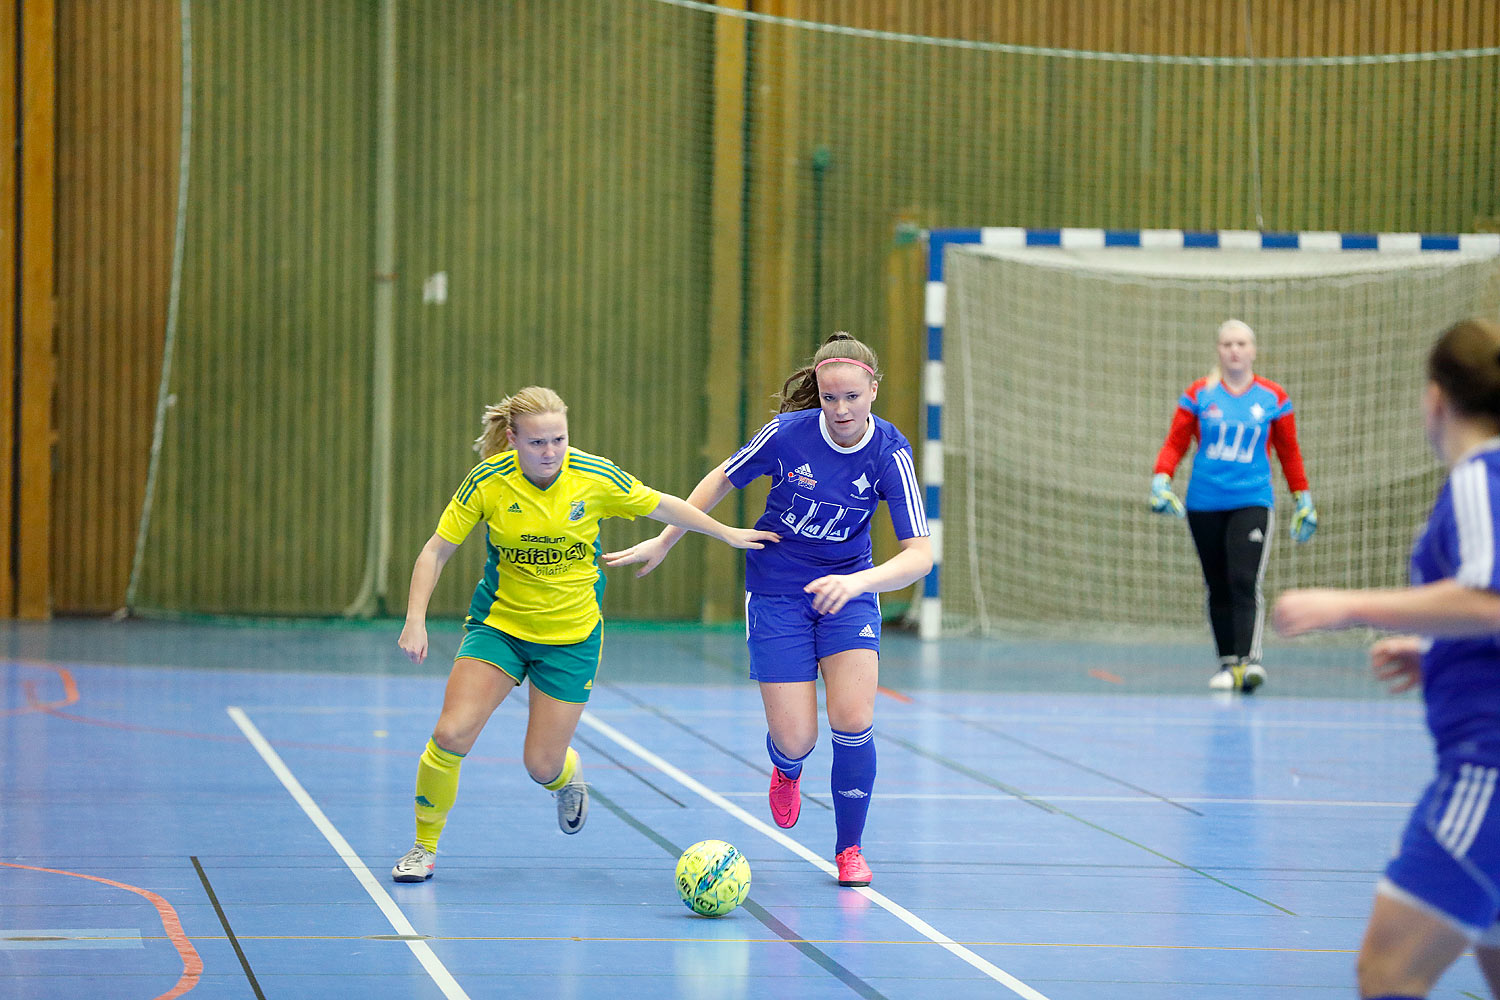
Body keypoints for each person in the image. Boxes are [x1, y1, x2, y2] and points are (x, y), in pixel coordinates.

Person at [391, 386, 778, 883]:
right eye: (537, 443)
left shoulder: (593, 477)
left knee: (541, 764)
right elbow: (435, 551)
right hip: (500, 628)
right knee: (450, 733)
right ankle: (423, 848)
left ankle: (566, 778)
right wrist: (414, 618)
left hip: (571, 639)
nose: (550, 452)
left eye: (559, 440)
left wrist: (725, 533)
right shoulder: (488, 482)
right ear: (512, 439)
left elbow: (663, 505)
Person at [604, 332, 933, 887]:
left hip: (849, 592)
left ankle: (849, 848)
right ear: (819, 394)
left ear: (873, 389)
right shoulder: (785, 436)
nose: (841, 409)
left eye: (852, 396)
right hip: (778, 590)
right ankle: (786, 765)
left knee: (853, 720)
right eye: (830, 398)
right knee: (798, 738)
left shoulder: (890, 453)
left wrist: (859, 584)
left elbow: (920, 557)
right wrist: (665, 540)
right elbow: (718, 480)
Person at [1273, 317, 1500, 1000]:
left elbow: (1491, 601)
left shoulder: (1478, 476)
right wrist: (1436, 652)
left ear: (1435, 398)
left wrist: (1347, 604)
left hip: (1487, 768)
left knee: (1388, 971)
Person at [1149, 318, 1319, 693]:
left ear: (1253, 350)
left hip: (1252, 500)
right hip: (1204, 502)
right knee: (1218, 584)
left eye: (1242, 344)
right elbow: (1175, 442)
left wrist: (1302, 497)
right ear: (1218, 351)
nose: (1235, 350)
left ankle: (1249, 661)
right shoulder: (1199, 394)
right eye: (1227, 344)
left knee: (1244, 579)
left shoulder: (1273, 397)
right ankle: (1227, 663)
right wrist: (1161, 478)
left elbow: (1289, 452)